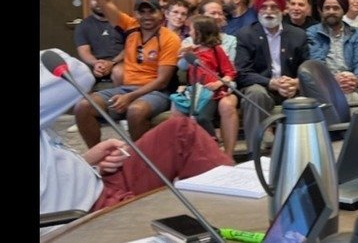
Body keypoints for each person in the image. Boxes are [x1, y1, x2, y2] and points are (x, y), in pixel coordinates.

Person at [40, 48, 232, 233]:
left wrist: (86, 160)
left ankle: (239, 210)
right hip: (83, 216)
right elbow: (78, 73)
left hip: (97, 181)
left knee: (180, 131)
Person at [75, 0, 181, 147]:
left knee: (135, 110)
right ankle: (98, 154)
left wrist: (131, 96)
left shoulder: (170, 38)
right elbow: (103, 1)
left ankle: (142, 160)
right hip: (126, 88)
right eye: (142, 11)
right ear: (135, 14)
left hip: (156, 93)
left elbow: (162, 81)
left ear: (161, 13)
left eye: (151, 11)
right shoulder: (130, 25)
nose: (146, 16)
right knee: (83, 106)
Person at [235, 0, 309, 156]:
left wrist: (297, 82)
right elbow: (242, 73)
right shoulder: (245, 35)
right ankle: (255, 155)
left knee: (311, 90)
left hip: (290, 88)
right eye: (264, 7)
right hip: (262, 87)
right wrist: (271, 83)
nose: (269, 11)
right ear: (258, 9)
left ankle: (302, 154)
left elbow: (308, 67)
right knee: (255, 94)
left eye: (274, 7)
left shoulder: (298, 35)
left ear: (282, 9)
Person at [171, 15, 239, 158]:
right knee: (178, 108)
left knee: (201, 117)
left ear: (200, 32)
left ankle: (214, 145)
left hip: (210, 92)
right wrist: (184, 53)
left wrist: (218, 83)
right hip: (195, 91)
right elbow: (181, 66)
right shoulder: (192, 52)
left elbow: (230, 72)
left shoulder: (216, 50)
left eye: (192, 30)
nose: (189, 33)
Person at [74, 0, 125, 86]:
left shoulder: (123, 22)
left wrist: (112, 63)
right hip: (94, 64)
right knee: (77, 75)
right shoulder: (83, 26)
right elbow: (84, 51)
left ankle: (120, 95)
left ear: (109, 1)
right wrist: (96, 63)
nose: (99, 2)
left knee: (119, 73)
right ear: (89, 3)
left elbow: (130, 47)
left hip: (119, 62)